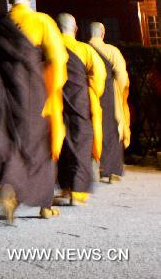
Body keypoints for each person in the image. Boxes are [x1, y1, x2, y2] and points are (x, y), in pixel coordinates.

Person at [0, 0, 67, 221]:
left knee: (8, 143)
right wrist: (53, 91)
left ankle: (8, 188)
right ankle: (44, 205)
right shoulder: (42, 21)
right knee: (38, 146)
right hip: (33, 93)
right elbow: (57, 58)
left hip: (1, 95)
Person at [55, 13, 106, 205]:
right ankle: (78, 191)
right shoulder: (84, 49)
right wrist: (91, 92)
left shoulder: (50, 48)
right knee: (81, 143)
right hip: (79, 100)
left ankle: (66, 188)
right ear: (75, 29)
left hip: (56, 100)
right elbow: (98, 77)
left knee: (62, 142)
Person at [88, 22, 130, 182]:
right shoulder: (111, 51)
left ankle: (92, 167)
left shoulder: (83, 49)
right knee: (111, 129)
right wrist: (117, 91)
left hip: (88, 94)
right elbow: (121, 75)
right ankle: (111, 171)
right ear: (103, 34)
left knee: (90, 128)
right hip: (107, 95)